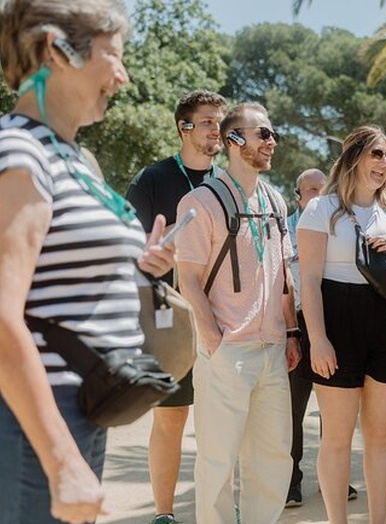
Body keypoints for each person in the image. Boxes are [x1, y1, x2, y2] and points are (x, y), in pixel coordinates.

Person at [0, 1, 174, 522]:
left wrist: (140, 265)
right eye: (112, 56)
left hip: (83, 408)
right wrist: (60, 460)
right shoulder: (20, 151)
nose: (122, 77)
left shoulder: (70, 157)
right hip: (35, 421)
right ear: (56, 50)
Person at [175, 102, 298, 524]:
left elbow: (284, 276)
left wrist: (292, 333)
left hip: (273, 350)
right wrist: (214, 338)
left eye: (272, 134)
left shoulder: (276, 201)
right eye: (262, 133)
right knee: (217, 462)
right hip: (227, 352)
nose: (271, 141)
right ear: (232, 139)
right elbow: (188, 278)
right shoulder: (200, 201)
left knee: (273, 459)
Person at [296, 125, 386, 524]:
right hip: (336, 317)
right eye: (376, 154)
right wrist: (318, 339)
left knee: (380, 435)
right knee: (337, 437)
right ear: (353, 157)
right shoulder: (321, 208)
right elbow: (309, 280)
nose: (384, 163)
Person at [125, 89, 227, 524]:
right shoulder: (152, 179)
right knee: (171, 417)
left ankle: (221, 509)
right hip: (170, 321)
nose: (217, 130)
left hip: (228, 319)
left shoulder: (230, 182)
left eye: (220, 121)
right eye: (207, 122)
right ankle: (164, 514)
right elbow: (127, 247)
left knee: (224, 422)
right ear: (183, 127)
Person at [285, 168, 359, 506]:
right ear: (298, 196)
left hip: (334, 324)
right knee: (293, 410)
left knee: (335, 411)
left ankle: (336, 480)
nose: (318, 194)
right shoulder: (283, 229)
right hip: (296, 326)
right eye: (311, 190)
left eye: (323, 188)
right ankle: (291, 481)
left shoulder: (338, 226)